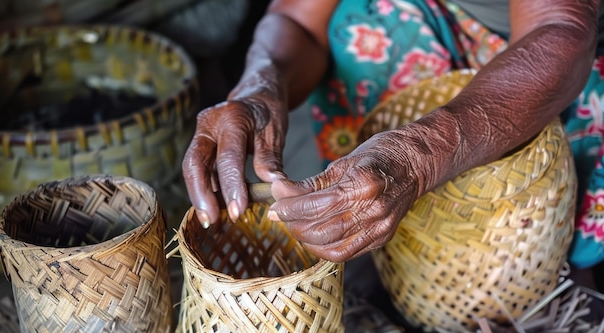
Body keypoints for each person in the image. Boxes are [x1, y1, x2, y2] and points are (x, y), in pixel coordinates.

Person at [181, 0, 602, 279]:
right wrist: (259, 86)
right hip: (428, 29)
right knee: (357, 16)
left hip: (557, 58)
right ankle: (398, 244)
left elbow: (561, 26)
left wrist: (419, 153)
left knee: (547, 256)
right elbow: (297, 21)